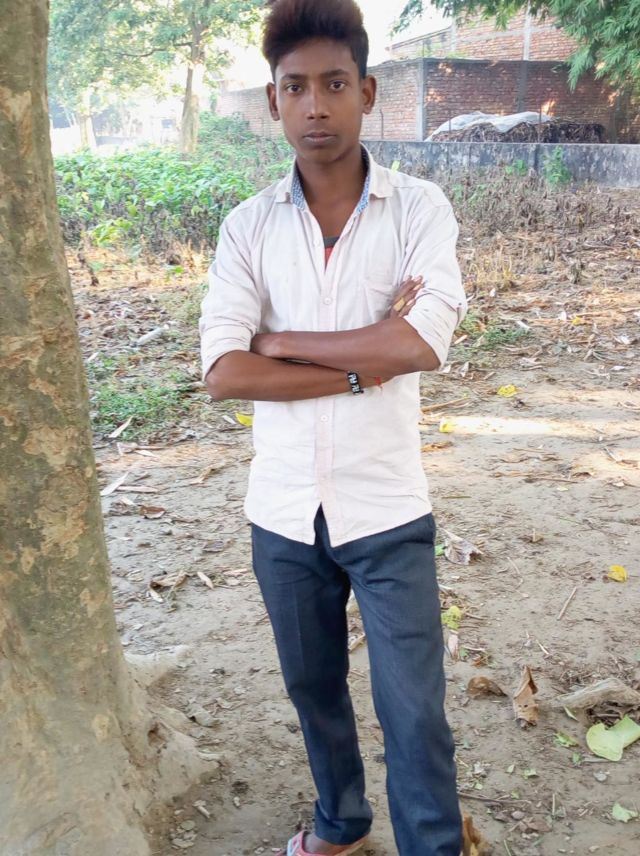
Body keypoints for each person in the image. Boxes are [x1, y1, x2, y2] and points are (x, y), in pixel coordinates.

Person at [199, 1, 467, 852]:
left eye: (334, 84)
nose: (315, 106)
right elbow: (224, 372)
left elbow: (420, 342)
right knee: (314, 691)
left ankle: (431, 844)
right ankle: (341, 823)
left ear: (367, 92)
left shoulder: (419, 209)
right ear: (273, 101)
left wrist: (282, 343)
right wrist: (359, 362)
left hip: (386, 507)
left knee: (414, 708)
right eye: (295, 87)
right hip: (282, 512)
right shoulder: (247, 226)